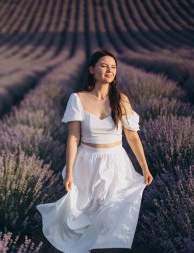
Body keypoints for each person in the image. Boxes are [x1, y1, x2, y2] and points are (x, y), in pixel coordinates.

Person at [36, 49, 153, 253]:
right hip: (87, 164)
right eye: (104, 65)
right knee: (87, 220)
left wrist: (144, 167)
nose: (109, 70)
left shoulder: (121, 100)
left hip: (116, 163)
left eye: (113, 67)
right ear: (92, 69)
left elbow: (132, 136)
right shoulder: (78, 99)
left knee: (112, 217)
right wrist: (70, 172)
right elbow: (73, 138)